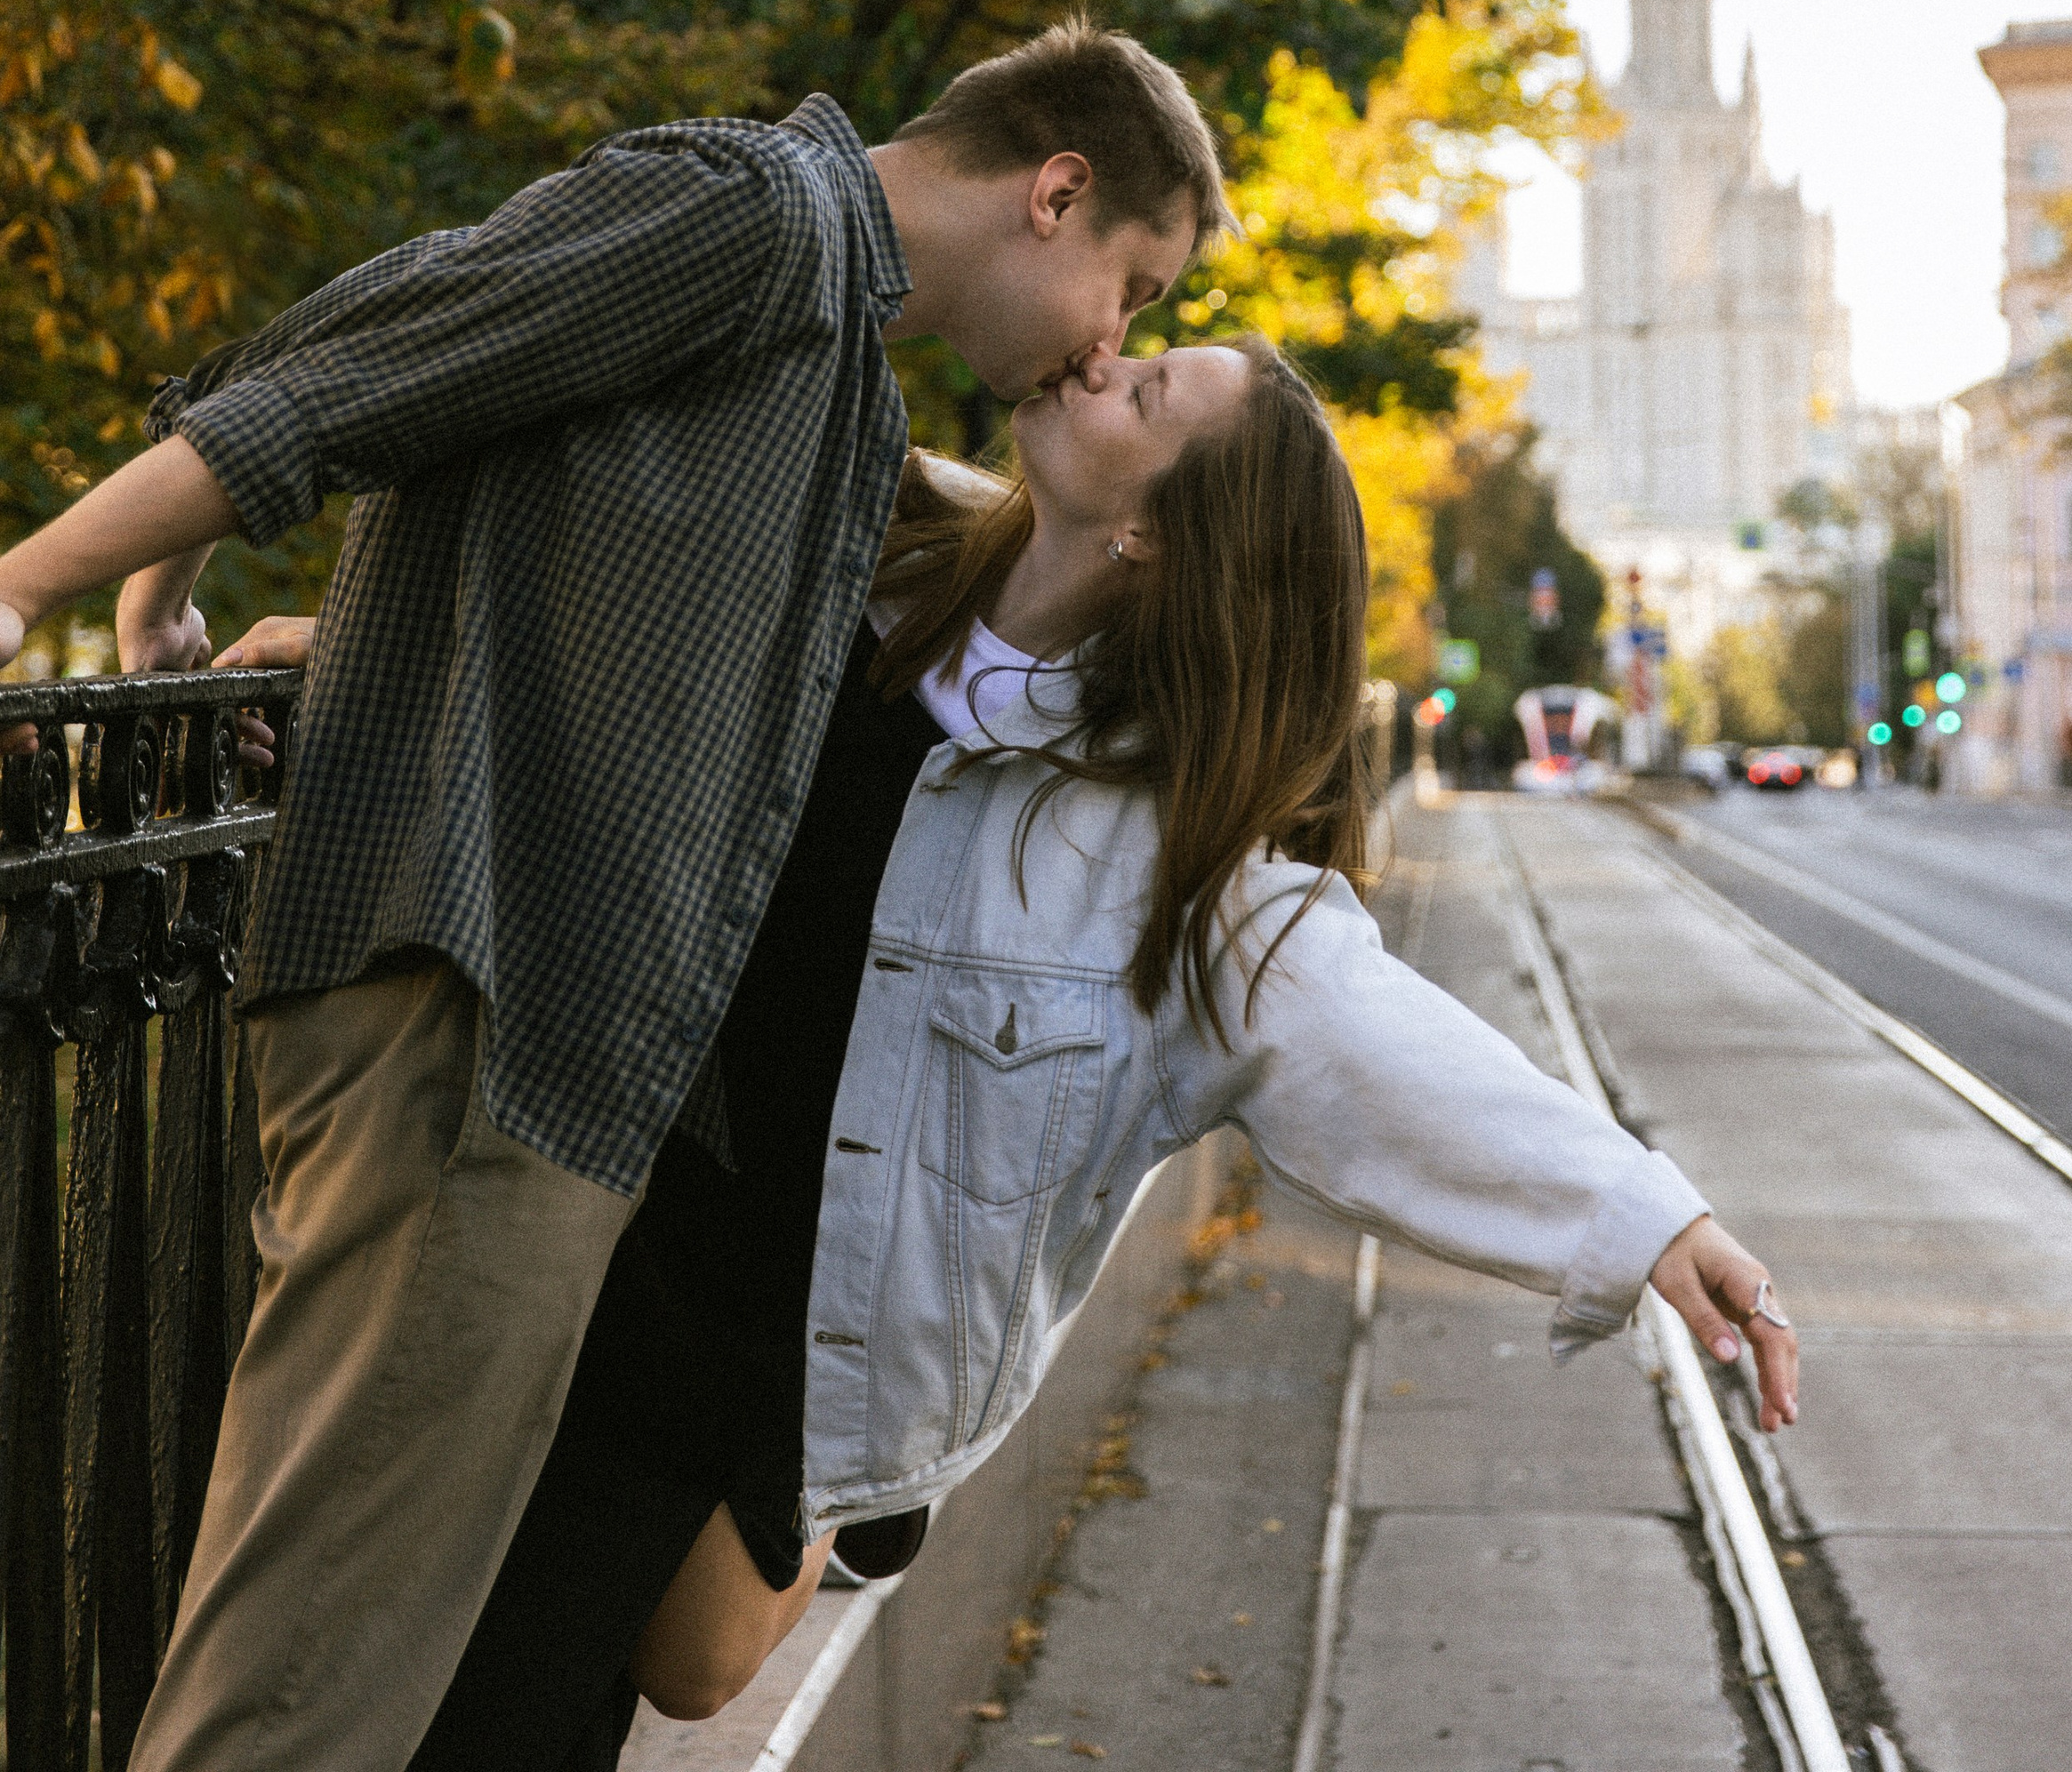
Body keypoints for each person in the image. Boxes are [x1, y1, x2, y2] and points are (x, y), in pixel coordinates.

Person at [0, 24, 1225, 1772]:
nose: (1111, 338)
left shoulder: (834, 376)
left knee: (345, 1669)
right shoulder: (763, 222)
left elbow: (451, 349)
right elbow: (396, 344)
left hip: (540, 1075)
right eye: (1131, 283)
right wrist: (35, 578)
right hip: (479, 1030)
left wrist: (255, 599)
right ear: (1057, 193)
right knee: (306, 1693)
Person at [385, 327, 1799, 1768]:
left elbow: (1384, 1045)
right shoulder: (856, 548)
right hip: (607, 1247)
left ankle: (812, 1512)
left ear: (1154, 535)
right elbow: (590, 634)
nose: (1098, 358)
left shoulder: (1169, 863)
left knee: (630, 1670)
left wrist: (1648, 1218)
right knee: (511, 1670)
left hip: (780, 1348)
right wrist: (362, 674)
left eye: (1148, 391)